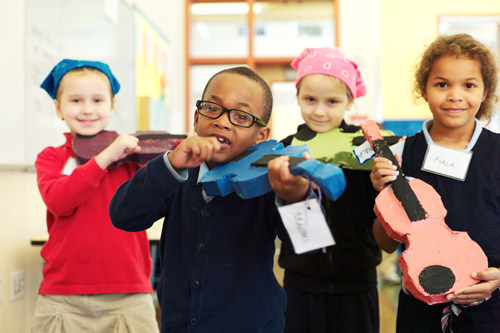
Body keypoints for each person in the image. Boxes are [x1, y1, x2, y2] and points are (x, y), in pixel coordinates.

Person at [109, 66, 312, 332]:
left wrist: (296, 196)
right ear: (196, 119)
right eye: (213, 109)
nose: (223, 121)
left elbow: (308, 244)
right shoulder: (178, 170)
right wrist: (170, 164)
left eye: (241, 116)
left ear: (261, 136)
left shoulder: (270, 177)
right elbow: (123, 215)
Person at [370, 33, 500, 332]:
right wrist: (383, 196)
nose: (455, 95)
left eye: (468, 85)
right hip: (420, 311)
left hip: (490, 307)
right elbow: (385, 243)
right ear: (424, 90)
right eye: (442, 84)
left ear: (484, 92)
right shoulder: (402, 154)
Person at [33, 59, 159, 332]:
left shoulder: (133, 159)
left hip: (129, 293)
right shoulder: (51, 157)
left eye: (98, 100)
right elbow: (59, 201)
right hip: (62, 297)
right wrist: (106, 157)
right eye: (76, 100)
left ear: (112, 107)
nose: (87, 110)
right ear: (58, 108)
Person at [277, 46, 392, 333]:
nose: (318, 110)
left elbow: (380, 207)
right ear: (298, 97)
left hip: (357, 280)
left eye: (331, 102)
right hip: (301, 281)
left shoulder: (365, 148)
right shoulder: (287, 147)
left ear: (349, 101)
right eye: (309, 99)